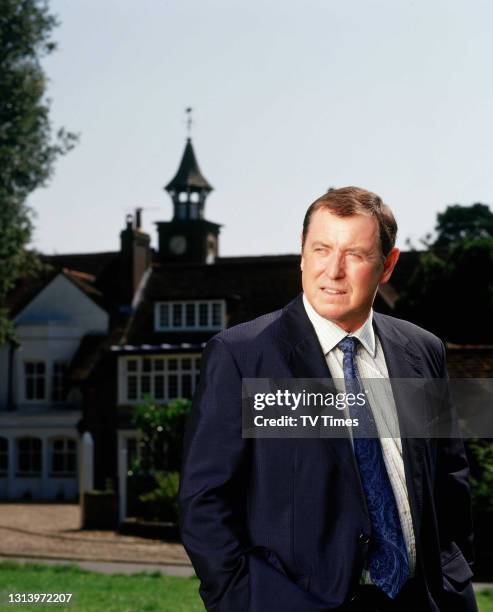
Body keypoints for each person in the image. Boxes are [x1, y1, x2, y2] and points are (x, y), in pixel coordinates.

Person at [179, 187, 477, 612]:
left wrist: (453, 578)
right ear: (302, 254)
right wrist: (241, 599)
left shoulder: (422, 351)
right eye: (321, 249)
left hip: (421, 601)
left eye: (355, 254)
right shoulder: (243, 356)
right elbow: (204, 500)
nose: (333, 271)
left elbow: (449, 480)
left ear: (387, 265)